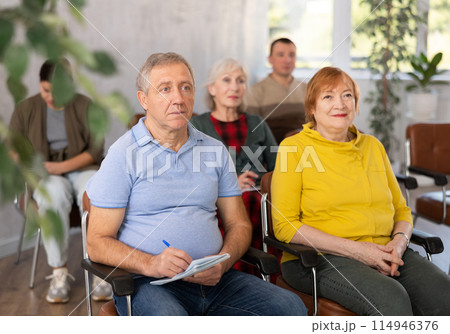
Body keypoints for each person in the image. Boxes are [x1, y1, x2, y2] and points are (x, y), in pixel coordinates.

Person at [85, 52, 307, 316]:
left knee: (290, 308)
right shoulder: (123, 154)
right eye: (164, 89)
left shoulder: (214, 150)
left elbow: (239, 224)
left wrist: (223, 263)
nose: (178, 98)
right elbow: (97, 243)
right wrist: (151, 264)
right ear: (144, 99)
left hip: (217, 281)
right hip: (150, 283)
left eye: (185, 87)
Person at [271, 66, 450, 316]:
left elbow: (402, 210)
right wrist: (359, 251)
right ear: (311, 107)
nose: (340, 104)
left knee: (443, 293)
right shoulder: (294, 148)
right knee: (391, 298)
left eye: (347, 95)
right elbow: (284, 225)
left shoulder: (373, 146)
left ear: (356, 104)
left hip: (387, 250)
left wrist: (398, 243)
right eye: (328, 97)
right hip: (320, 258)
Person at [9, 59, 112, 304]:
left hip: (82, 168)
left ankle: (100, 270)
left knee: (95, 191)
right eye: (46, 90)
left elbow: (96, 150)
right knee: (51, 196)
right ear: (40, 85)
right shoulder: (26, 109)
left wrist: (59, 166)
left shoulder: (85, 105)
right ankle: (59, 273)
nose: (51, 98)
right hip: (45, 177)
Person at [190, 58, 278, 276]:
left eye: (240, 81)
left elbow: (279, 166)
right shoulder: (196, 126)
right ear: (212, 88)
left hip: (258, 198)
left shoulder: (257, 121)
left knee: (254, 201)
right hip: (217, 201)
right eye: (226, 80)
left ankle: (263, 274)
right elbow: (190, 174)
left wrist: (262, 184)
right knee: (242, 202)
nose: (234, 87)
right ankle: (237, 273)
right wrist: (231, 185)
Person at [245, 38, 307, 143]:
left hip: (306, 149)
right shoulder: (255, 92)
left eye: (291, 55)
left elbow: (317, 125)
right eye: (281, 55)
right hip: (271, 153)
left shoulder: (308, 89)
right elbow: (253, 132)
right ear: (270, 59)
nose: (287, 60)